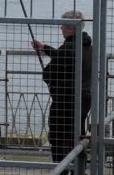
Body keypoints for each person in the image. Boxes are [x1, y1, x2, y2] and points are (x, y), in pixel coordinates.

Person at [31, 10, 92, 166]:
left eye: (63, 25)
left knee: (59, 139)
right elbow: (65, 57)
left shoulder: (68, 49)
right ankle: (79, 168)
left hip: (64, 102)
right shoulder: (87, 47)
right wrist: (45, 48)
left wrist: (49, 75)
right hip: (84, 100)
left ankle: (61, 169)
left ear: (72, 27)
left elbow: (48, 73)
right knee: (77, 136)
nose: (60, 27)